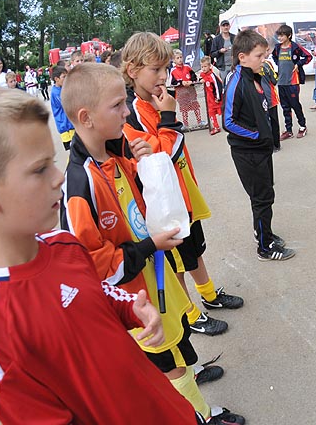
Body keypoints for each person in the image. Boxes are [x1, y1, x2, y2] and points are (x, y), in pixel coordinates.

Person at [0, 88, 201, 424]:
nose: (59, 177)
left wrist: (129, 307)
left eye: (52, 163)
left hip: (167, 407)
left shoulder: (63, 244)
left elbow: (94, 289)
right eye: (40, 169)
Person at [60, 63, 245, 425]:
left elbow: (138, 207)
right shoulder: (80, 184)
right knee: (168, 361)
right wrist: (150, 246)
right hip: (136, 300)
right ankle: (200, 416)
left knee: (178, 343)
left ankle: (191, 388)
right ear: (86, 117)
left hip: (156, 279)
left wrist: (143, 165)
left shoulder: (116, 154)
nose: (126, 111)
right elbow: (93, 266)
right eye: (117, 105)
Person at [122, 33, 243, 339]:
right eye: (155, 69)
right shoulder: (131, 114)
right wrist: (168, 115)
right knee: (176, 262)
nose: (164, 76)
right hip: (164, 204)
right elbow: (161, 157)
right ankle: (189, 314)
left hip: (183, 192)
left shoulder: (157, 99)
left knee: (195, 250)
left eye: (165, 68)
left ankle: (209, 295)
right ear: (133, 70)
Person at [225, 29, 295, 261]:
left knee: (266, 195)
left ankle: (265, 234)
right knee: (262, 199)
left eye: (265, 55)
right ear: (242, 57)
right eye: (259, 56)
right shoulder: (236, 81)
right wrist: (256, 136)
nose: (264, 60)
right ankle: (265, 248)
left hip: (261, 150)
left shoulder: (254, 75)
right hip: (248, 152)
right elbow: (228, 121)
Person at [272, 24, 312, 141]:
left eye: (282, 35)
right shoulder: (277, 48)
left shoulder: (295, 47)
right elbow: (274, 57)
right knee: (285, 107)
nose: (280, 38)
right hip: (281, 82)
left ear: (289, 35)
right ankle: (288, 130)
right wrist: (279, 64)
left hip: (293, 82)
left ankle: (302, 126)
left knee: (295, 105)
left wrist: (298, 64)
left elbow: (308, 56)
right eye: (279, 36)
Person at [169, 48, 204, 129]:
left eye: (181, 57)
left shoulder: (187, 67)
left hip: (191, 92)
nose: (180, 59)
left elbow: (194, 76)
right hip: (181, 94)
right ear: (174, 60)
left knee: (195, 106)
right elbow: (172, 82)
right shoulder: (173, 70)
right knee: (184, 109)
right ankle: (186, 124)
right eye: (177, 58)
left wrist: (191, 81)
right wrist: (181, 83)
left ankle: (199, 121)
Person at [50, 65, 76, 150]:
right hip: (65, 126)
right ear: (56, 79)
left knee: (76, 149)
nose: (66, 79)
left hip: (70, 124)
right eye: (64, 77)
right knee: (73, 149)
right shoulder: (56, 93)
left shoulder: (62, 89)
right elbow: (67, 104)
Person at [199, 56, 224, 135]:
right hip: (209, 99)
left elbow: (218, 87)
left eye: (205, 66)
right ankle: (216, 127)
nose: (203, 68)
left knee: (222, 111)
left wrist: (218, 98)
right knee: (211, 113)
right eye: (202, 67)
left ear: (210, 66)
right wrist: (200, 79)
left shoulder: (212, 76)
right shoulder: (203, 74)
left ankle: (230, 123)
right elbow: (199, 78)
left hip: (215, 99)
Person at [261, 58, 282, 152]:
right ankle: (276, 145)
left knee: (263, 121)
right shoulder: (267, 64)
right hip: (270, 97)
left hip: (259, 97)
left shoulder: (250, 65)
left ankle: (267, 144)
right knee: (274, 121)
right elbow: (274, 80)